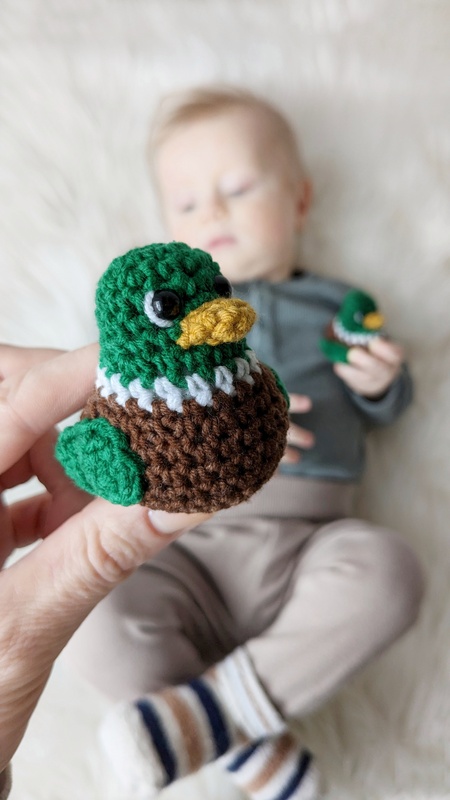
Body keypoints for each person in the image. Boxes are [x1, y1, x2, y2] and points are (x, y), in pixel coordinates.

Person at [61, 87, 424, 799]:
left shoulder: (333, 305)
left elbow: (387, 406)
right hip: (183, 550)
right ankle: (241, 744)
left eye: (237, 189)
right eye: (188, 203)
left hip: (308, 549)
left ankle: (217, 720)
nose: (214, 214)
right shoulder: (159, 322)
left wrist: (383, 380)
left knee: (391, 572)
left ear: (299, 200)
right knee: (90, 616)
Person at [0, 344, 212, 799]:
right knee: (97, 629)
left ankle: (218, 721)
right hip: (174, 563)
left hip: (296, 541)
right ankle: (222, 715)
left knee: (372, 569)